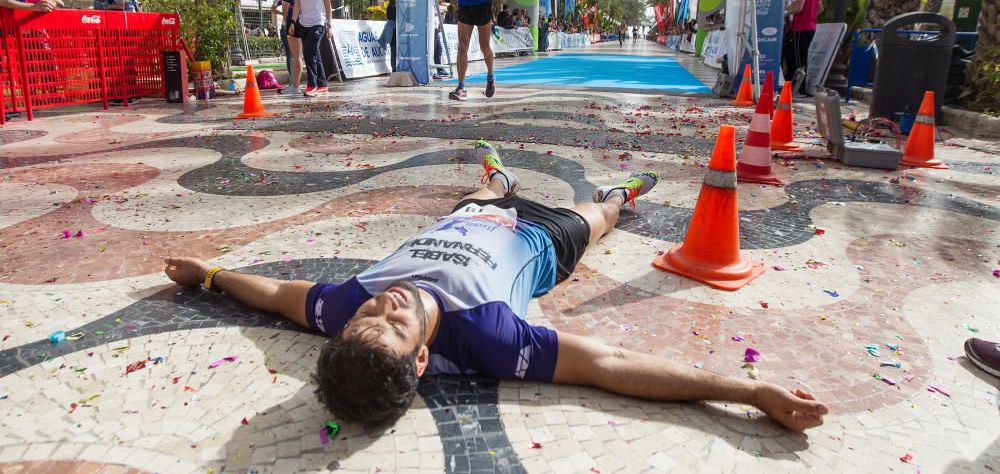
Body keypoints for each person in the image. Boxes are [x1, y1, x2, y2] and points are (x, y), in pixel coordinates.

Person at [164, 140, 829, 434]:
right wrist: (746, 390)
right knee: (597, 220)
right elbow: (610, 365)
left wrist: (213, 276)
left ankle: (497, 174)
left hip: (469, 214)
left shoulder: (345, 311)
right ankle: (618, 194)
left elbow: (278, 294)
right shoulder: (487, 336)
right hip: (541, 240)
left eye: (369, 313)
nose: (386, 304)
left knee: (480, 191)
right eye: (395, 326)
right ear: (421, 359)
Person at [291, 0, 333, 97]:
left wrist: (329, 25)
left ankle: (312, 85)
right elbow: (296, 5)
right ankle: (323, 85)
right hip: (303, 24)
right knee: (315, 53)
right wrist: (293, 22)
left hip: (318, 22)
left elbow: (328, 6)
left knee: (309, 52)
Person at [782, 0, 823, 82]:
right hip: (810, 26)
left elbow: (798, 7)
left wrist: (787, 12)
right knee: (802, 56)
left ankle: (799, 86)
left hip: (801, 28)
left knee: (798, 58)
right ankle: (800, 86)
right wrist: (810, 15)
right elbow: (820, 8)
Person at [377, 0, 397, 72]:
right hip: (393, 30)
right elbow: (391, 17)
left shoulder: (402, 6)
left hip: (400, 30)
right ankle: (394, 68)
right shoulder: (390, 6)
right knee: (394, 49)